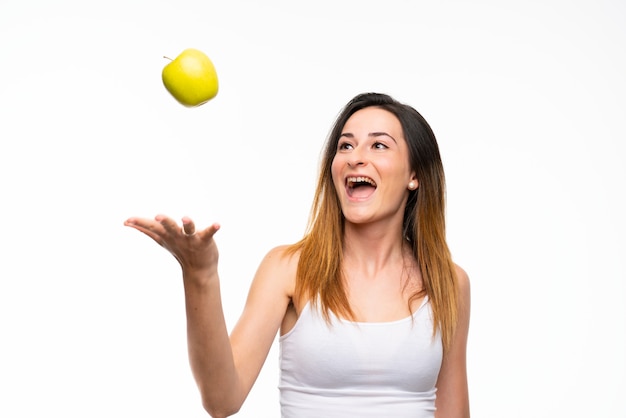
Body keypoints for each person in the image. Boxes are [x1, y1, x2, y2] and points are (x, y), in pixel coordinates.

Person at [124, 92, 471, 418]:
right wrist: (199, 273)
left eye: (378, 144)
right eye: (345, 145)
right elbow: (221, 399)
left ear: (415, 175)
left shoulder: (449, 282)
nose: (355, 157)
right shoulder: (288, 270)